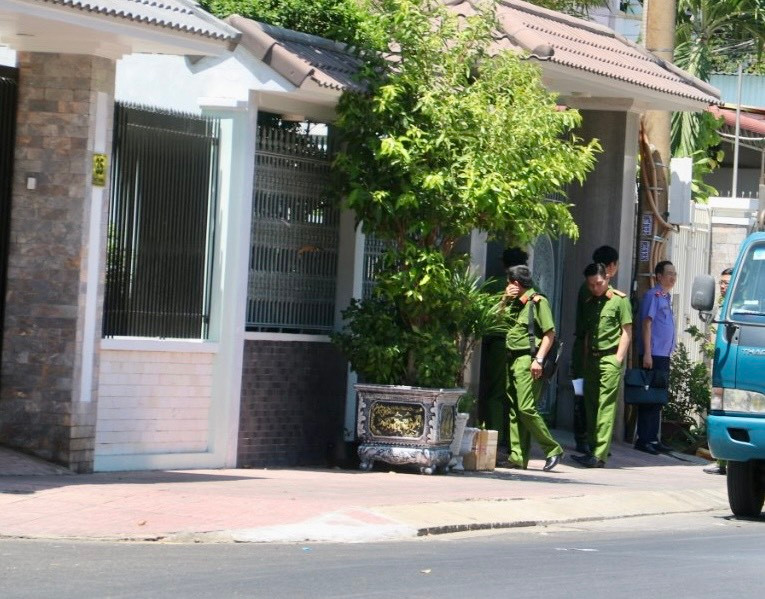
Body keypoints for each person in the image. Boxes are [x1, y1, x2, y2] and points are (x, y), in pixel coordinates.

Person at [502, 264, 563, 471]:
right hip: (512, 359)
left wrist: (538, 359)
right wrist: (504, 299)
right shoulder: (514, 302)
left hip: (528, 360)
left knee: (526, 408)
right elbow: (496, 319)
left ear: (515, 283)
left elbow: (549, 334)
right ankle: (518, 456)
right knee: (514, 409)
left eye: (509, 283)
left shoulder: (538, 302)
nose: (508, 287)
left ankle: (552, 449)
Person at [572, 262, 632, 468]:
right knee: (590, 406)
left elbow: (626, 331)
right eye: (591, 285)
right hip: (591, 360)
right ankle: (591, 449)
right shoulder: (590, 302)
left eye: (598, 283)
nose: (595, 288)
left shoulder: (620, 301)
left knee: (605, 407)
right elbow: (586, 334)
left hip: (609, 359)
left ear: (607, 277)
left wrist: (618, 359)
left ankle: (599, 455)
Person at [572, 245, 619, 454]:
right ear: (611, 266)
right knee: (582, 394)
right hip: (585, 351)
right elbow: (589, 327)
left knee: (591, 397)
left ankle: (595, 442)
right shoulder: (591, 288)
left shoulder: (606, 291)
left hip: (588, 350)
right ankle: (583, 438)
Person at [483, 247, 529, 448]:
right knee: (511, 395)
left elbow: (485, 316)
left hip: (504, 346)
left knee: (501, 394)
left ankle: (499, 440)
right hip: (512, 346)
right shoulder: (500, 287)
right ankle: (508, 441)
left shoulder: (494, 284)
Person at [634, 260, 677, 454]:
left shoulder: (666, 297)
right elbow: (647, 324)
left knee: (658, 398)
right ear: (659, 276)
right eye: (669, 273)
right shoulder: (653, 295)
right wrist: (647, 353)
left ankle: (653, 438)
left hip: (663, 355)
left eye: (674, 274)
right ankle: (643, 439)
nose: (673, 277)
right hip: (653, 355)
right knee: (648, 398)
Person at [704, 267, 733, 475]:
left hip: (733, 365)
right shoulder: (720, 306)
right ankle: (722, 461)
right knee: (717, 409)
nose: (723, 287)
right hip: (720, 365)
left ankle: (730, 462)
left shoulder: (739, 307)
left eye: (727, 283)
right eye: (721, 283)